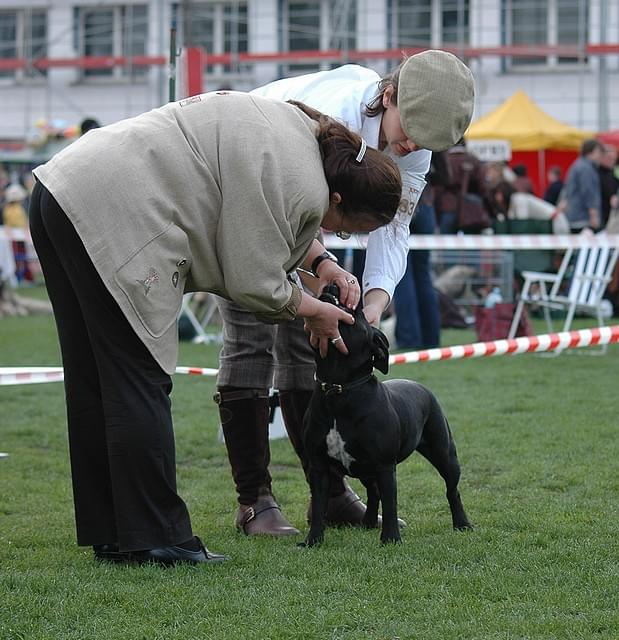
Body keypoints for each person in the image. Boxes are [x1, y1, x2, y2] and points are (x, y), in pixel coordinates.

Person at [28, 91, 402, 565]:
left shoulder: (301, 133)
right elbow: (253, 282)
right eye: (345, 228)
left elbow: (271, 215)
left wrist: (322, 263)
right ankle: (156, 537)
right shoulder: (305, 182)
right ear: (339, 199)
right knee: (140, 380)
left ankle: (114, 534)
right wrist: (312, 310)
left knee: (95, 382)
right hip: (117, 214)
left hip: (63, 189)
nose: (337, 234)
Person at [214, 50, 475, 536]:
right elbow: (288, 201)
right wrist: (322, 267)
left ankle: (330, 493)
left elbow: (393, 227)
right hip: (246, 194)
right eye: (409, 130)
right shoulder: (333, 110)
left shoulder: (414, 141)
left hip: (304, 221)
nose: (413, 145)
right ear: (389, 95)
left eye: (426, 142)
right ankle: (254, 500)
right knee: (251, 336)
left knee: (309, 344)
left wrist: (374, 302)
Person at [392, 152, 449, 349]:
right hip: (426, 204)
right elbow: (444, 176)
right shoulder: (434, 141)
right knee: (423, 276)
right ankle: (431, 338)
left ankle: (409, 338)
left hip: (401, 200)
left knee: (401, 275)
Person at [562, 139, 604, 233]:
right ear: (591, 151)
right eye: (598, 151)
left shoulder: (577, 165)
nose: (600, 155)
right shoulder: (586, 168)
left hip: (574, 214)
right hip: (583, 217)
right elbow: (588, 192)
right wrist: (593, 214)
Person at [598, 144, 619, 228]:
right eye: (610, 158)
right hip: (603, 211)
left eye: (614, 159)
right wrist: (612, 196)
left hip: (610, 211)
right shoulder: (598, 172)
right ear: (602, 157)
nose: (613, 161)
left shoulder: (612, 171)